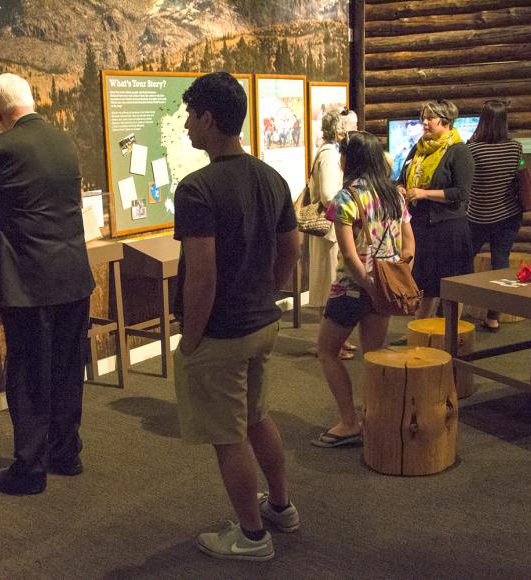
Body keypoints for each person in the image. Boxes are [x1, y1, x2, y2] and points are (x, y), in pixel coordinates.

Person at [173, 72, 302, 562]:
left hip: (222, 334)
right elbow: (291, 248)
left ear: (208, 119)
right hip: (262, 323)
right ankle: (282, 507)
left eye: (190, 115)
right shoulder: (272, 178)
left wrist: (191, 339)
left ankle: (251, 536)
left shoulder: (197, 188)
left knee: (228, 437)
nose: (187, 126)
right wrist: (266, 290)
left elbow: (201, 277)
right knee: (257, 418)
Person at [0, 73, 95, 496]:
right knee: (70, 368)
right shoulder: (64, 142)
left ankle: (30, 469)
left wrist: (2, 205)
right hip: (73, 275)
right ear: (31, 102)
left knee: (29, 376)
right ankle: (66, 454)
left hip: (27, 284)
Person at [313, 131, 415, 448]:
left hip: (352, 289)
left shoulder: (348, 198)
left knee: (327, 351)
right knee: (373, 355)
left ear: (350, 160)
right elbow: (409, 242)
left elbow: (348, 254)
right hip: (385, 285)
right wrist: (398, 275)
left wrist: (368, 284)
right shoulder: (394, 195)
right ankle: (375, 416)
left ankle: (349, 422)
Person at [397, 99, 474, 329]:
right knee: (424, 284)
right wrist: (400, 187)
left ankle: (450, 334)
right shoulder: (418, 148)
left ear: (446, 121)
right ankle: (420, 332)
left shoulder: (459, 151)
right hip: (421, 226)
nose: (425, 122)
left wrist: (424, 194)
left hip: (449, 229)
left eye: (430, 117)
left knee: (451, 286)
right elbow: (402, 177)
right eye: (424, 117)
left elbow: (460, 193)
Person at [467, 100, 524, 332]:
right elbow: (518, 173)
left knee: (462, 261)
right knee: (500, 264)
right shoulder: (516, 148)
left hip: (478, 216)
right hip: (509, 215)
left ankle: (454, 311)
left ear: (482, 121)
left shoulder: (472, 149)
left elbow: (467, 183)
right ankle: (493, 316)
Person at [307, 109, 357, 360]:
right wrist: (350, 210)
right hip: (329, 231)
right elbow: (328, 196)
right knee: (329, 285)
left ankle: (337, 340)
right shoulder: (328, 155)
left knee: (332, 284)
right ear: (338, 129)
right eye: (350, 125)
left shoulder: (332, 152)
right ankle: (328, 343)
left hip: (334, 228)